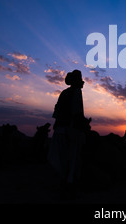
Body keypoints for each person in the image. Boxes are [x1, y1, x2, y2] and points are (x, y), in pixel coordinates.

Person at [48, 69, 88, 199]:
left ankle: (62, 182)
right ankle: (69, 184)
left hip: (60, 129)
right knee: (72, 158)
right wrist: (83, 125)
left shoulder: (64, 93)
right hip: (70, 130)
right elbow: (77, 113)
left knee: (61, 158)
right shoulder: (76, 92)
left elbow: (57, 112)